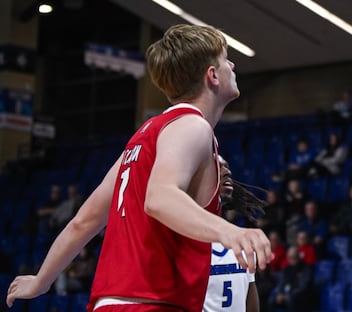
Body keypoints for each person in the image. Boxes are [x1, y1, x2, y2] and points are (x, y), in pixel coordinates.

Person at [5, 24, 272, 311]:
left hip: (109, 305)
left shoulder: (144, 137)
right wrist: (231, 232)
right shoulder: (193, 126)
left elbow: (85, 221)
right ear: (212, 75)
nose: (232, 65)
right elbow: (160, 198)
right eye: (225, 58)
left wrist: (42, 280)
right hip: (152, 304)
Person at [205, 156, 266, 312]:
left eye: (226, 166)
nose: (227, 172)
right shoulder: (181, 240)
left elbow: (251, 303)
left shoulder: (240, 239)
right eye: (217, 167)